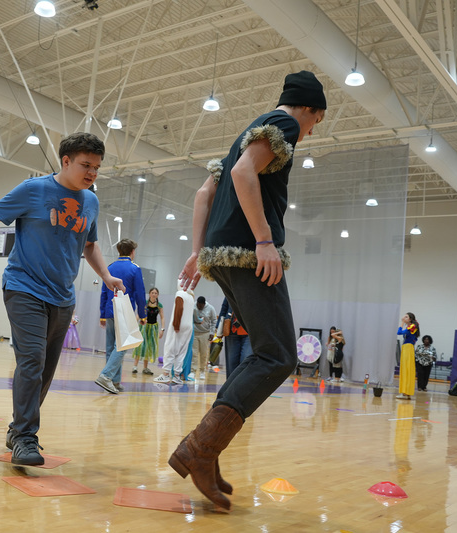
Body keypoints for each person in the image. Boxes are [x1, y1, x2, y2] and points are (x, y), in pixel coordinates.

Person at [174, 71, 326, 511]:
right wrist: (264, 240)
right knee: (279, 354)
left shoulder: (247, 132)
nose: (312, 131)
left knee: (264, 353)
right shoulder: (286, 126)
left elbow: (206, 193)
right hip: (247, 252)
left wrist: (198, 251)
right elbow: (243, 174)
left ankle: (206, 448)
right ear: (311, 109)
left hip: (221, 255)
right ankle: (200, 448)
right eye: (317, 121)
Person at [0, 132, 124, 466]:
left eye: (97, 168)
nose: (92, 173)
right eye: (86, 165)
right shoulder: (34, 189)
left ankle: (17, 429)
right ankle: (26, 439)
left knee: (45, 371)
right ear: (65, 161)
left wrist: (107, 275)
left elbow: (90, 245)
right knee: (32, 361)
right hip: (24, 286)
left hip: (62, 296)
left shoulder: (91, 201)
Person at [95, 239, 147, 394]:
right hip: (124, 311)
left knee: (111, 346)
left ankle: (114, 381)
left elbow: (104, 293)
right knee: (125, 345)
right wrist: (143, 315)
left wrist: (102, 314)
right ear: (132, 251)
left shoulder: (109, 268)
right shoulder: (134, 268)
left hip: (110, 309)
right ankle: (106, 376)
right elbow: (139, 293)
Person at [154, 281, 195, 385]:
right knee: (182, 351)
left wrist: (176, 325)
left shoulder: (180, 294)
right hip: (188, 326)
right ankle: (177, 376)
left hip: (179, 325)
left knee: (170, 348)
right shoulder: (191, 296)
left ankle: (166, 374)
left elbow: (179, 308)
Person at [216, 298, 252, 378]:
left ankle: (243, 388)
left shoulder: (254, 291)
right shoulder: (231, 287)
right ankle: (231, 389)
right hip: (231, 330)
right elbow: (224, 308)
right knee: (231, 363)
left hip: (249, 332)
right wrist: (219, 327)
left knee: (245, 361)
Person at [132, 288, 164, 376]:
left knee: (149, 347)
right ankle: (135, 366)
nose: (154, 294)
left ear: (157, 295)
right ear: (149, 294)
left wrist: (162, 329)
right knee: (140, 346)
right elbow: (139, 314)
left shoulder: (159, 305)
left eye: (156, 293)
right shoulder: (145, 303)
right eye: (152, 293)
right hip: (144, 326)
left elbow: (162, 317)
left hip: (153, 328)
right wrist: (134, 325)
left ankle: (145, 368)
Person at [396, 312, 420, 400]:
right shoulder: (411, 327)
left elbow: (399, 332)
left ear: (410, 319)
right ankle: (407, 392)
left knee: (406, 370)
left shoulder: (411, 327)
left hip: (407, 348)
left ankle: (405, 392)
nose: (404, 318)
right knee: (407, 369)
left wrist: (401, 322)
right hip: (408, 348)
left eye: (406, 317)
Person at [193, 296, 217, 380]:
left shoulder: (210, 308)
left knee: (203, 354)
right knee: (194, 353)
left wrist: (212, 332)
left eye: (201, 306)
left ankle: (202, 371)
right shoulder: (193, 306)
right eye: (198, 305)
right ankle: (193, 371)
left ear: (204, 304)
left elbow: (214, 321)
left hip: (205, 333)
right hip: (195, 333)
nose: (199, 307)